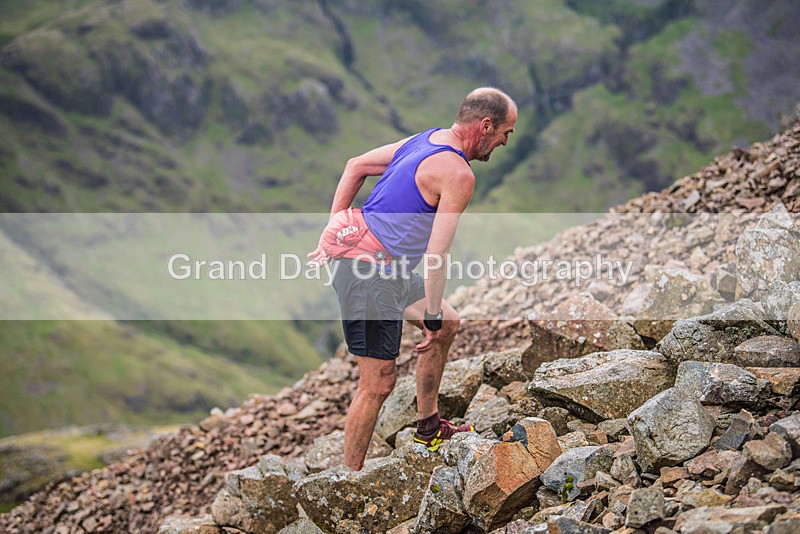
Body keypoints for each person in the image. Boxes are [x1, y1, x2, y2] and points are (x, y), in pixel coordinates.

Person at [308, 87, 518, 470]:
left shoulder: (425, 139)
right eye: (506, 131)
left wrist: (335, 225)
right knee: (378, 383)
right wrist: (431, 313)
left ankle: (428, 427)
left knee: (449, 325)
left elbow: (355, 165)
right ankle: (347, 483)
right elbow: (436, 255)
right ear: (485, 126)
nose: (505, 140)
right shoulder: (458, 174)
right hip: (367, 273)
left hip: (387, 269)